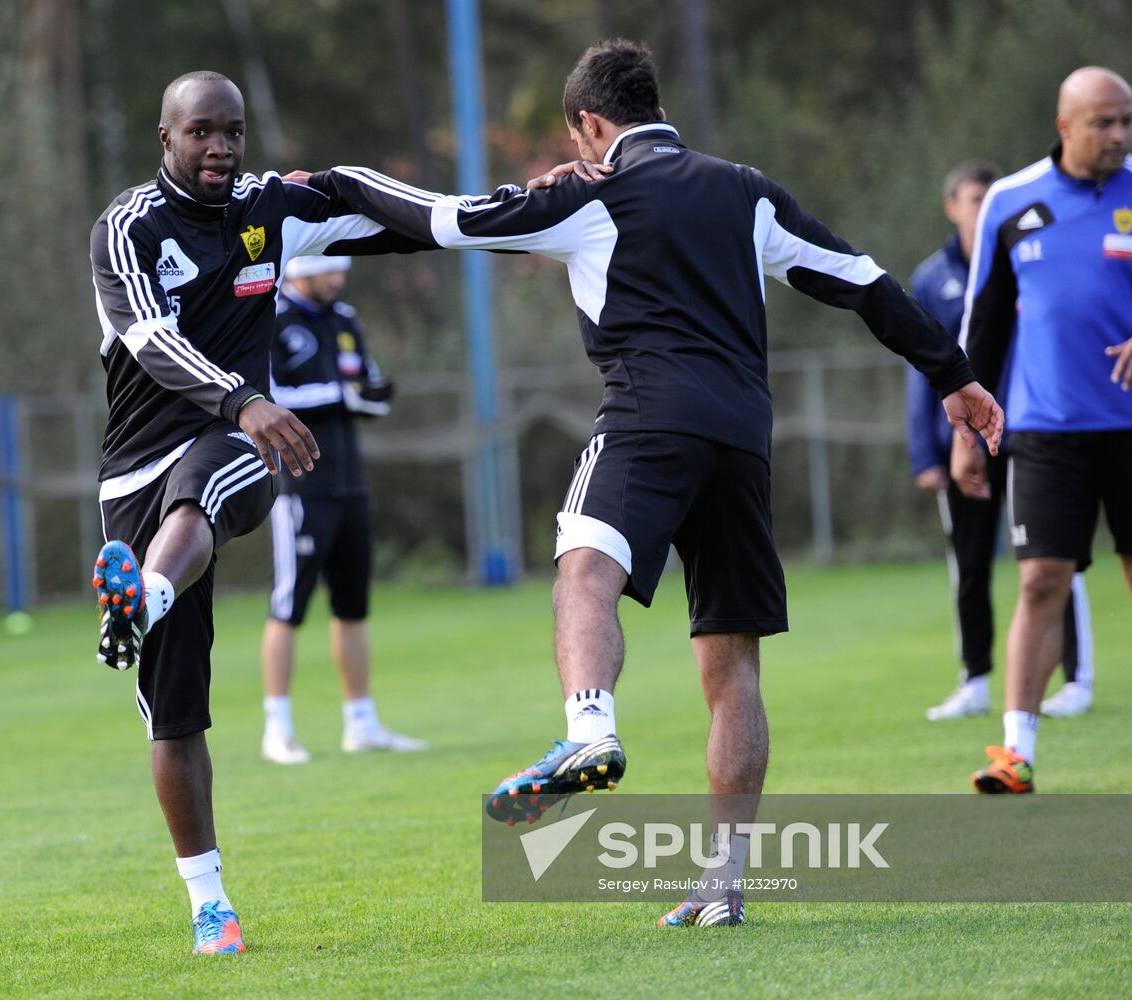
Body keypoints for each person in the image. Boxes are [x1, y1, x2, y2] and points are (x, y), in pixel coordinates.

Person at [291, 38, 1004, 927]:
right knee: (732, 661)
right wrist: (955, 375)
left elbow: (441, 219)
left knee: (584, 569)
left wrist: (332, 183)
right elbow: (864, 283)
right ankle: (725, 881)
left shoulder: (591, 193)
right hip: (744, 437)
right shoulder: (747, 189)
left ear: (590, 124)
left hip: (648, 418)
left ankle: (590, 732)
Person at [89, 71, 430, 954]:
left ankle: (142, 601)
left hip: (234, 443)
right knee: (177, 717)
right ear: (164, 137)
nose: (221, 148)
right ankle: (210, 904)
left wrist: (496, 215)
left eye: (233, 132)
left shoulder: (264, 208)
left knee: (214, 486)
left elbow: (372, 209)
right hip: (135, 473)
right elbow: (149, 340)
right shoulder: (126, 228)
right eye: (201, 132)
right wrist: (243, 395)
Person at [955, 66, 1132, 793]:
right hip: (1046, 430)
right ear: (1066, 126)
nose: (1119, 136)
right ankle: (1015, 752)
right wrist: (967, 432)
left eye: (1127, 122)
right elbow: (984, 324)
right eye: (1105, 123)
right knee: (1039, 582)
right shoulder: (1011, 200)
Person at [907, 162, 1094, 721]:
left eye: (991, 195)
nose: (983, 204)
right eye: (972, 197)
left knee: (1055, 561)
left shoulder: (1028, 253)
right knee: (969, 564)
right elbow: (920, 372)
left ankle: (1077, 678)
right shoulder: (930, 279)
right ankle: (976, 680)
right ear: (952, 206)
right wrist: (927, 450)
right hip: (964, 439)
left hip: (1034, 432)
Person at [260, 255, 426, 764]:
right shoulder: (273, 319)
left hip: (350, 483)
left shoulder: (345, 318)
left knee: (352, 608)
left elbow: (364, 386)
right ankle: (278, 730)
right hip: (300, 487)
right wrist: (342, 396)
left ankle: (361, 723)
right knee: (289, 607)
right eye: (329, 271)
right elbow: (270, 396)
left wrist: (374, 396)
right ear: (301, 270)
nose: (338, 280)